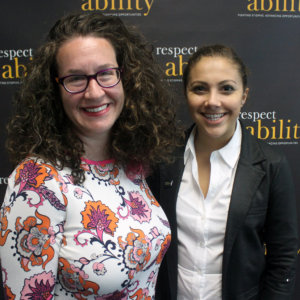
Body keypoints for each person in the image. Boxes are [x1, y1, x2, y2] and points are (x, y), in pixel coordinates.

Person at [0, 12, 180, 299]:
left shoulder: (131, 164)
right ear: (54, 90)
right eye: (76, 78)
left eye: (106, 73)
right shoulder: (37, 182)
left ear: (126, 78)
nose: (94, 92)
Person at [147, 44, 298, 300]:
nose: (212, 101)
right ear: (186, 94)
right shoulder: (163, 159)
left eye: (226, 88)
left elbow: (283, 259)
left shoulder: (272, 165)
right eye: (200, 88)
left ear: (244, 96)